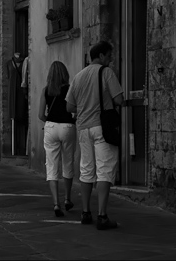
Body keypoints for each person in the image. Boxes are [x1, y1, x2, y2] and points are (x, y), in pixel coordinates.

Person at [65, 41, 124, 230]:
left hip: (83, 128)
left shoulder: (78, 76)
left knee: (86, 170)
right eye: (108, 56)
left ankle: (85, 212)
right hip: (101, 126)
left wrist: (83, 107)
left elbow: (69, 106)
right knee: (105, 169)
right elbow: (119, 99)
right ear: (100, 56)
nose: (111, 59)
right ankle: (102, 215)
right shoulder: (106, 73)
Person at [38, 61, 76, 218]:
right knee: (68, 163)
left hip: (51, 127)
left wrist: (50, 121)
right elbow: (75, 109)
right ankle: (67, 199)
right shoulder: (70, 89)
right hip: (67, 127)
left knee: (52, 166)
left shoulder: (46, 90)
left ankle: (56, 203)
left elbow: (40, 115)